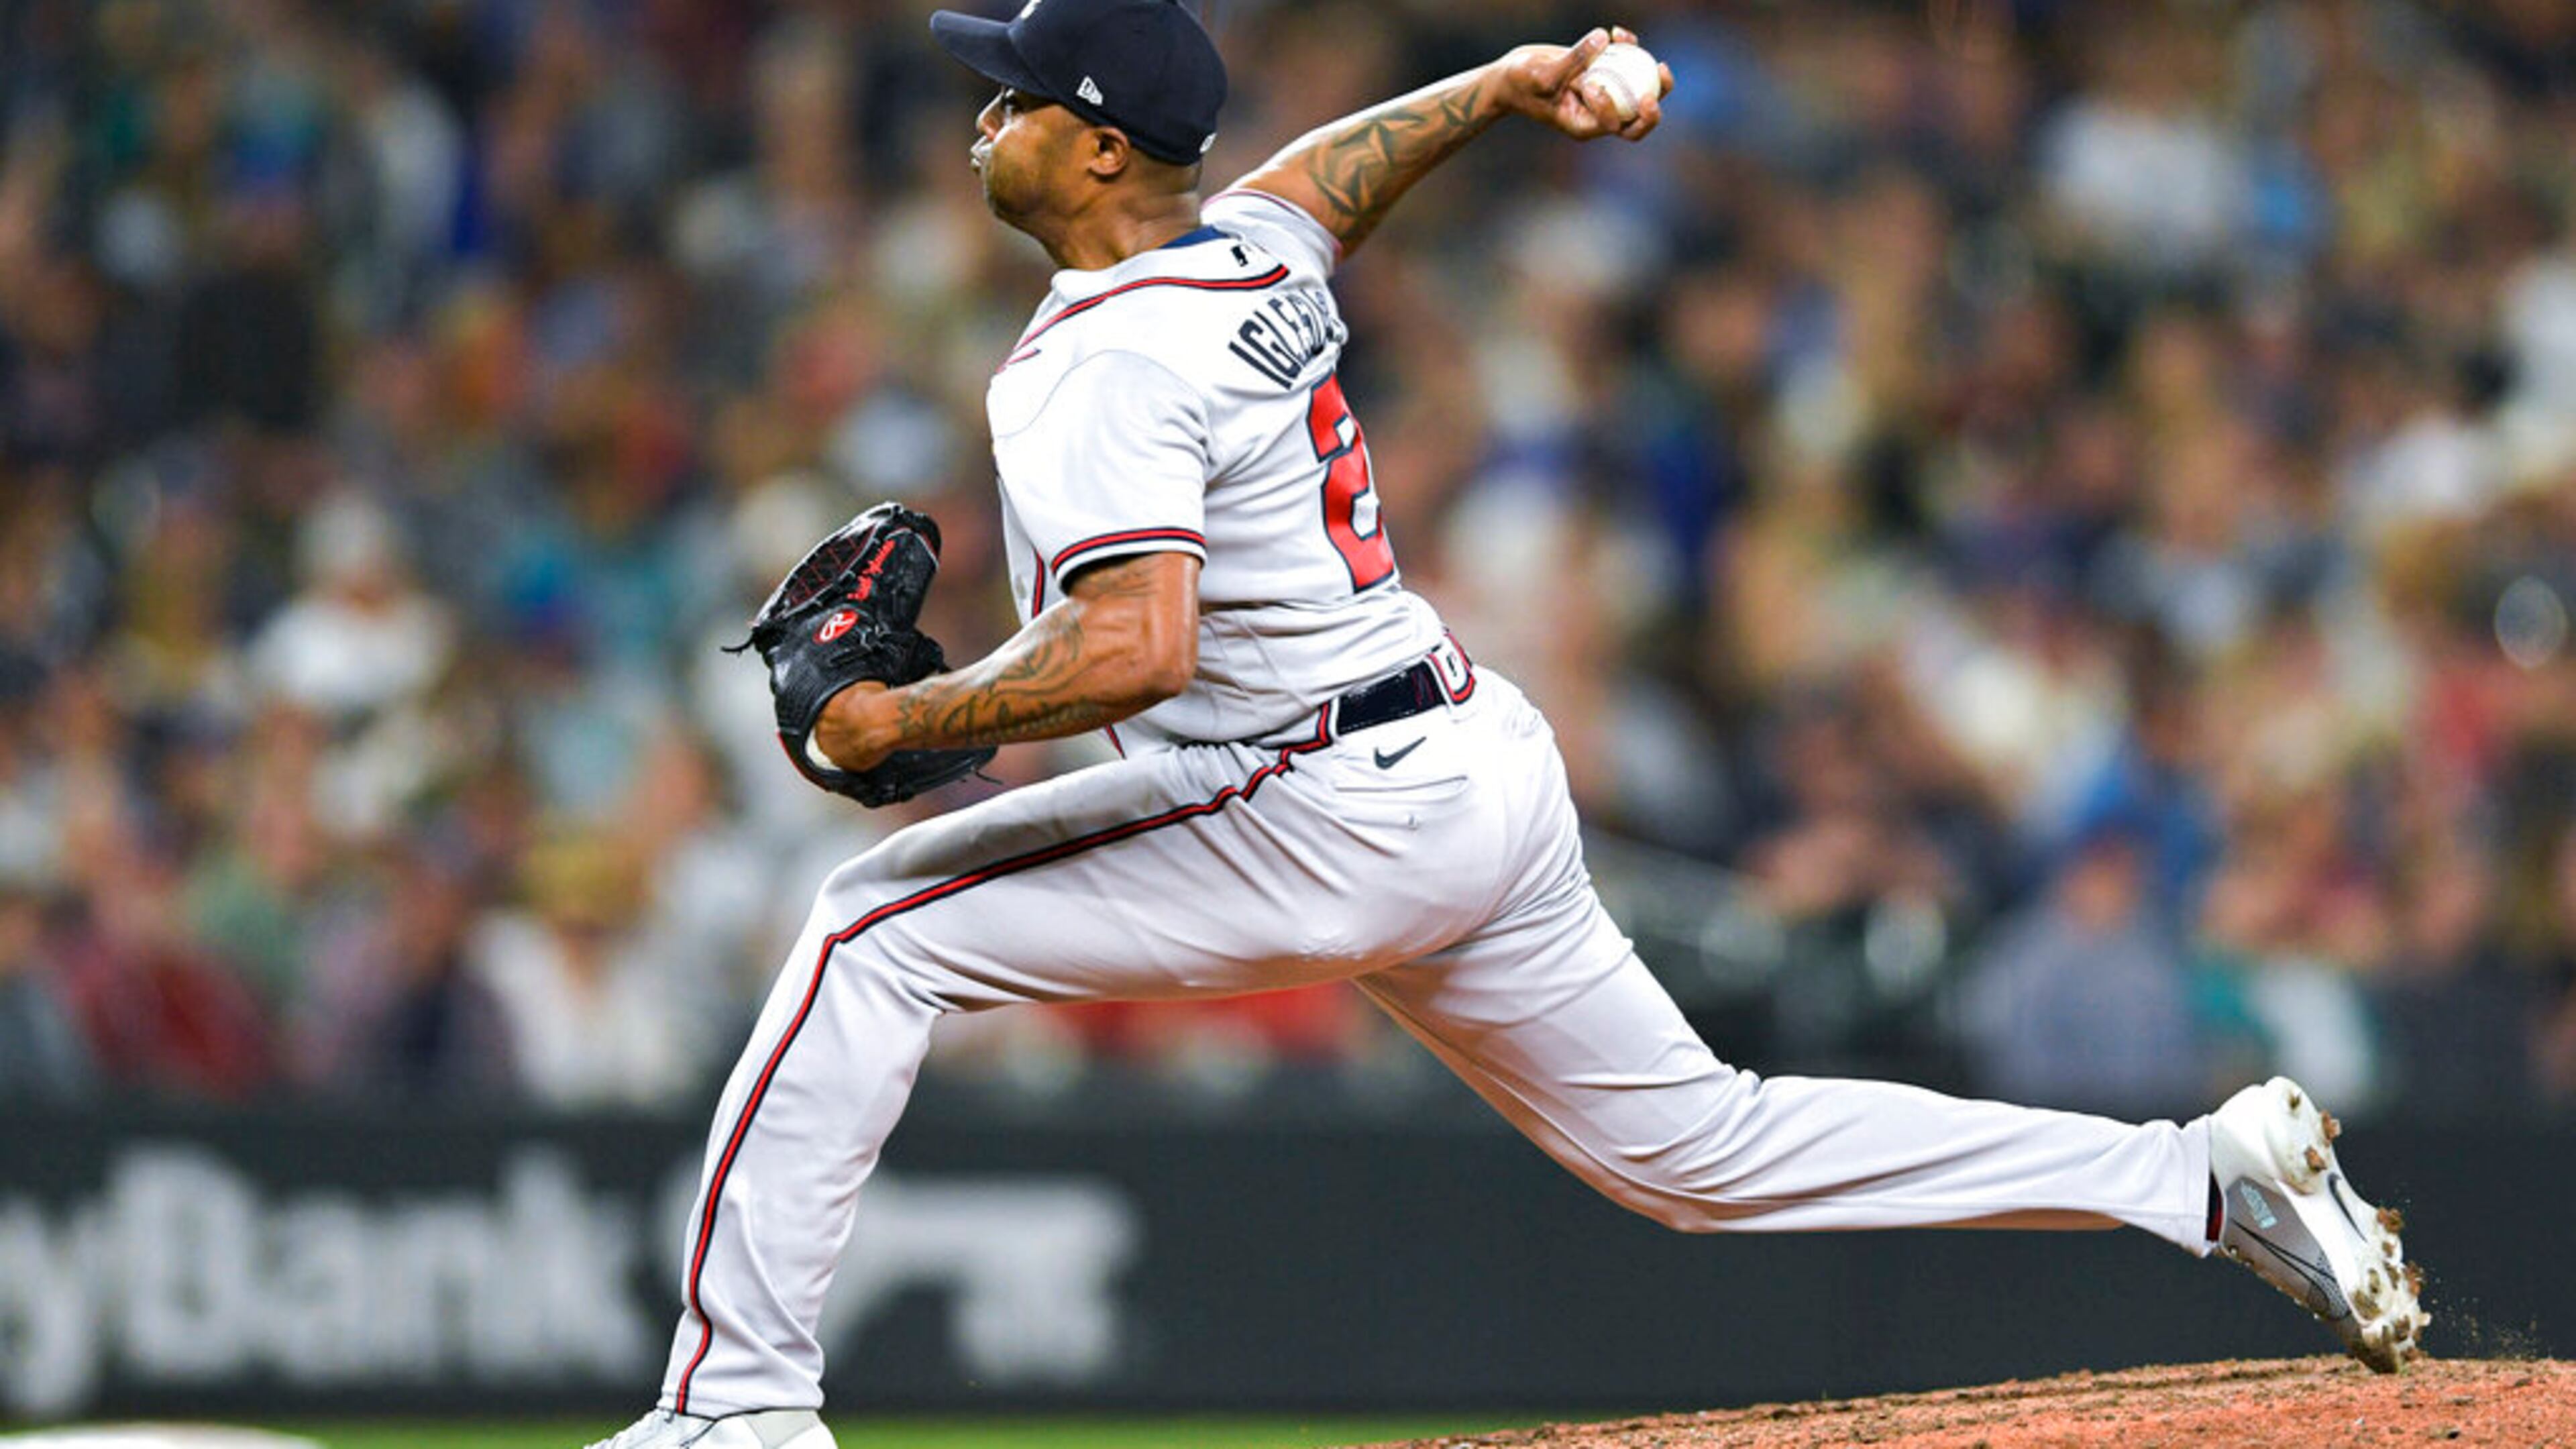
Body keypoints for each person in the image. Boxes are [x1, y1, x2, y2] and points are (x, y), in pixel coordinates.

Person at [590, 5, 2424, 1445]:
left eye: (1009, 92)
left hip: (1312, 802)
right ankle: (2199, 1181)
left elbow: (1140, 647)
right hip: (1466, 764)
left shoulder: (1094, 361)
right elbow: (1335, 178)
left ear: (1095, 142)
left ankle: (734, 1410)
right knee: (1702, 1153)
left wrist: (906, 711)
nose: (979, 112)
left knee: (860, 931)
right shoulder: (1244, 263)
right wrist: (1508, 82)